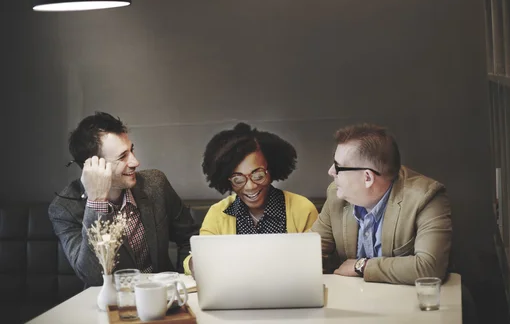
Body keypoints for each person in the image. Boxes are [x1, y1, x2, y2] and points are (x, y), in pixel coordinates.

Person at [49, 112, 197, 287]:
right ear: (94, 166)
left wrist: (185, 276)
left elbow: (191, 238)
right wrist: (97, 202)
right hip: (112, 305)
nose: (135, 162)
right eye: (122, 157)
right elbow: (93, 277)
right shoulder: (64, 209)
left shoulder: (156, 184)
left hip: (163, 296)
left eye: (131, 150)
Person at [311, 123, 452, 284]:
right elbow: (309, 252)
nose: (331, 171)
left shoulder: (426, 197)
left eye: (338, 166)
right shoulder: (336, 195)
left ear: (367, 178)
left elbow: (429, 267)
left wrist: (362, 266)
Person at [184, 123, 319, 275]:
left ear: (271, 171)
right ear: (227, 180)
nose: (250, 186)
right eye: (238, 179)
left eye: (258, 175)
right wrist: (195, 263)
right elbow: (195, 259)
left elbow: (315, 264)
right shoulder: (218, 214)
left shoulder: (302, 209)